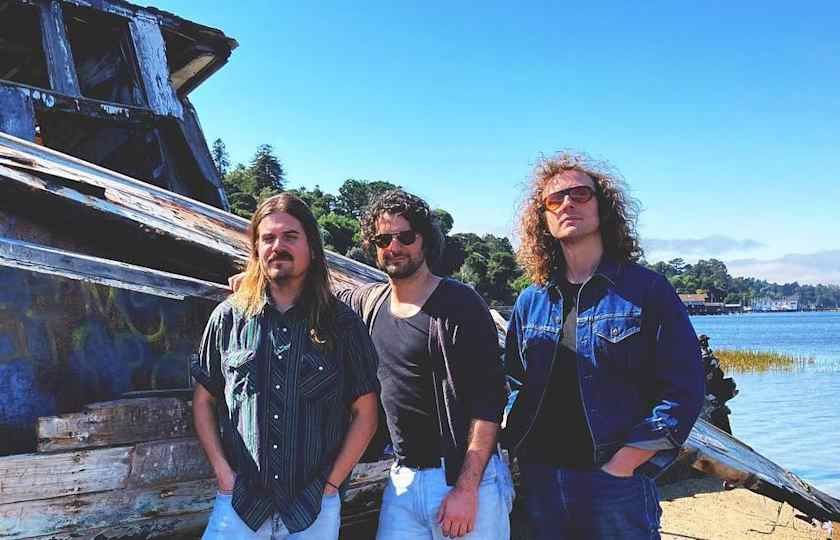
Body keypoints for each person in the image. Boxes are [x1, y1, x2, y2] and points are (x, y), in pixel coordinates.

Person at [232, 189, 511, 539]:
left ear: (425, 240)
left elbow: (489, 402)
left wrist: (467, 489)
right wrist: (257, 280)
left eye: (405, 237)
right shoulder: (368, 302)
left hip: (464, 477)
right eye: (383, 239)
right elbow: (310, 294)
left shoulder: (460, 304)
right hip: (403, 477)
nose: (394, 247)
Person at [503, 152, 704, 539]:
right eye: (554, 199)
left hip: (614, 484)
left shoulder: (646, 290)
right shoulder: (531, 300)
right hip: (541, 480)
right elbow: (515, 381)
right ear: (543, 218)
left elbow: (685, 388)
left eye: (580, 194)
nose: (567, 204)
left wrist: (625, 463)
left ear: (603, 207)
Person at [193, 193, 380, 539]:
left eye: (290, 236)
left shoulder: (342, 324)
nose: (278, 246)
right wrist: (223, 475)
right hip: (241, 504)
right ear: (256, 249)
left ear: (313, 248)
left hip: (312, 508)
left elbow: (366, 413)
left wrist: (330, 485)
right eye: (268, 238)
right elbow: (204, 400)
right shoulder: (228, 318)